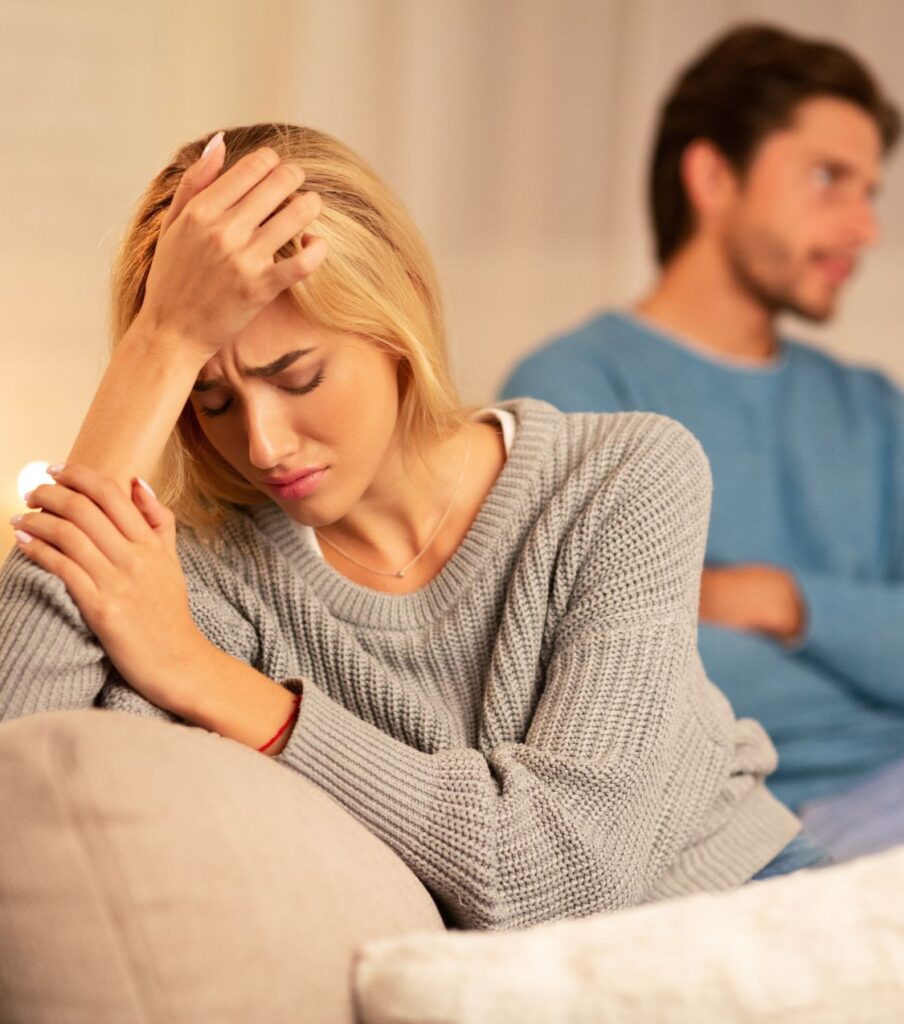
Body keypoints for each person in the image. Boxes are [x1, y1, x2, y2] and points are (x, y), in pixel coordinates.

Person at [0, 122, 803, 944]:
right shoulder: (204, 574)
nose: (263, 444)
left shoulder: (622, 478)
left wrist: (194, 671)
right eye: (209, 400)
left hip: (745, 916)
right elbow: (15, 769)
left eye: (297, 375)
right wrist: (156, 347)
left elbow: (564, 876)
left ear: (394, 324)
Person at [499, 24, 904, 861]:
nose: (863, 226)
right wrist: (868, 652)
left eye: (871, 190)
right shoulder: (571, 392)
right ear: (713, 175)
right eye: (830, 179)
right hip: (747, 828)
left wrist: (783, 602)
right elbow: (611, 682)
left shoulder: (870, 407)